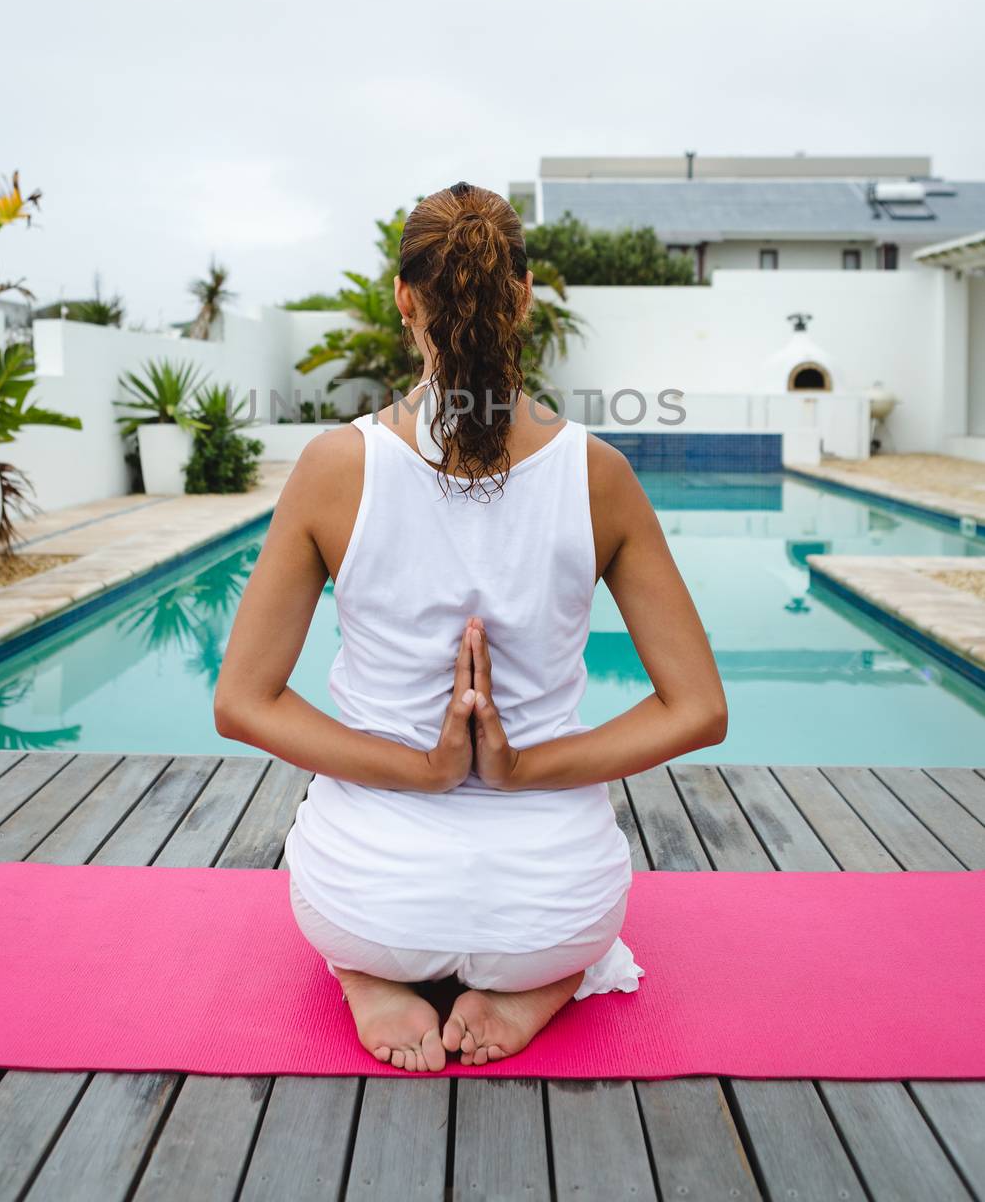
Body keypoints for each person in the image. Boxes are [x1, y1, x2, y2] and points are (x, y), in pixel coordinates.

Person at [214, 181, 726, 1073]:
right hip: (552, 909)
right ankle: (537, 987)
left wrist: (423, 769)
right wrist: (521, 767)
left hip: (369, 899)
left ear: (404, 300)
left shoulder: (335, 468)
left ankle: (366, 978)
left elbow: (242, 703)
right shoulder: (597, 474)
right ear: (523, 296)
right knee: (567, 942)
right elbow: (697, 710)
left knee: (347, 916)